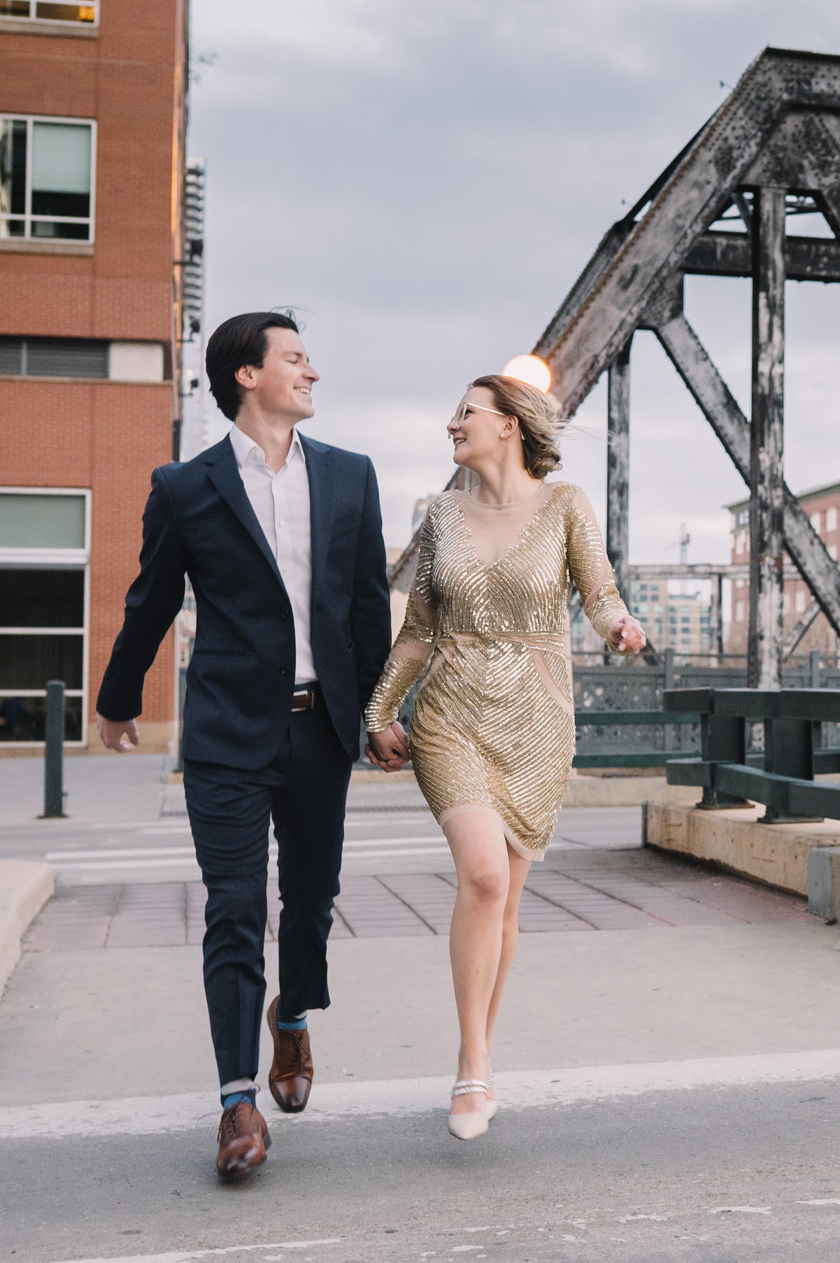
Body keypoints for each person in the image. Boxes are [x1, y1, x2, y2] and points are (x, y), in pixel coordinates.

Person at [93, 311, 396, 1180]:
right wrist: (117, 700)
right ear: (247, 375)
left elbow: (367, 608)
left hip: (320, 727)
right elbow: (151, 599)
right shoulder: (185, 487)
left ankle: (291, 1015)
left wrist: (378, 711)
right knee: (233, 906)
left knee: (311, 900)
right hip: (227, 729)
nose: (312, 371)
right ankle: (236, 1101)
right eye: (295, 358)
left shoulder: (349, 475)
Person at [364, 365, 643, 1141]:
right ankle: (473, 1060)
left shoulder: (565, 505)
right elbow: (418, 630)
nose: (453, 424)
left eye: (466, 412)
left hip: (536, 720)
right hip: (450, 715)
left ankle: (477, 1056)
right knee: (483, 875)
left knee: (505, 901)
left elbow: (600, 595)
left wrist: (620, 627)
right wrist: (378, 711)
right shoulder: (441, 515)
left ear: (508, 424)